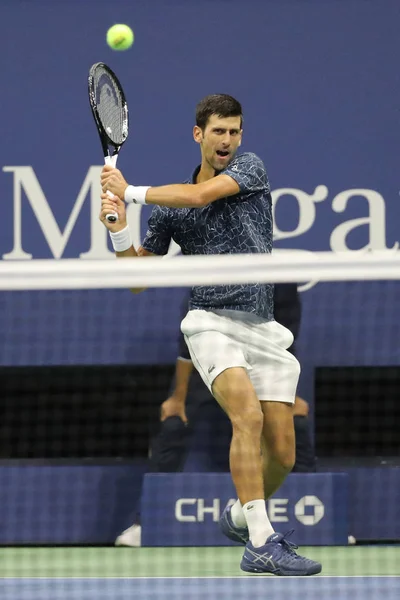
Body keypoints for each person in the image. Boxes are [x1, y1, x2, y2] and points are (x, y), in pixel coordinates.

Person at [99, 94, 321, 576]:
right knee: (247, 417)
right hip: (209, 321)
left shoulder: (250, 169)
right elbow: (138, 278)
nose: (228, 140)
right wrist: (118, 232)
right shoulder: (170, 210)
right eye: (219, 131)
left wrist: (131, 191)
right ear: (198, 134)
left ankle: (244, 513)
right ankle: (262, 541)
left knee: (282, 453)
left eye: (234, 131)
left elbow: (199, 195)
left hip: (263, 328)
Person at [115, 285, 316, 547]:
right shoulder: (213, 268)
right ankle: (146, 523)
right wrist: (178, 397)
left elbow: (286, 343)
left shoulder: (282, 283)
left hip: (261, 359)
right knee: (175, 425)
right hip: (212, 357)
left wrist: (291, 395)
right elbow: (187, 344)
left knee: (287, 440)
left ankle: (321, 512)